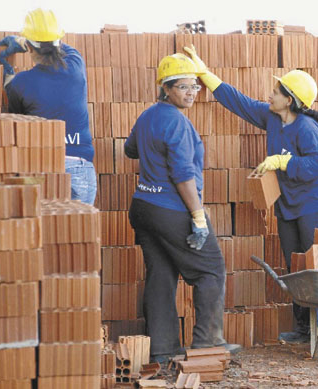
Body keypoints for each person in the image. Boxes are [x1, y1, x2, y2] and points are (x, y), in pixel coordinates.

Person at [183, 45, 318, 352]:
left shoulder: (307, 128)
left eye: (275, 91)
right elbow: (240, 103)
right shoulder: (272, 118)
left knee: (316, 265)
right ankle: (303, 326)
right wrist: (206, 75)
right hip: (287, 206)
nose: (269, 94)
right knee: (294, 267)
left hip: (312, 206)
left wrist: (283, 162)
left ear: (290, 100)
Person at [125, 53, 240, 364]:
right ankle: (206, 345)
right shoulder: (177, 122)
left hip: (143, 207)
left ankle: (162, 352)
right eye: (183, 87)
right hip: (170, 209)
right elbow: (183, 175)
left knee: (161, 274)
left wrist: (152, 152)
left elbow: (130, 148)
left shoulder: (149, 116)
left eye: (195, 87)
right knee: (210, 270)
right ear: (166, 88)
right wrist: (198, 217)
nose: (191, 93)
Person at [0, 9, 96, 205]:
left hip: (43, 167)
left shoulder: (20, 83)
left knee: (44, 231)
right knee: (80, 234)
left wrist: (8, 79)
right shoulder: (76, 65)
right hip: (80, 168)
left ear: (30, 49)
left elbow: (18, 122)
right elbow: (57, 45)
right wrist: (28, 41)